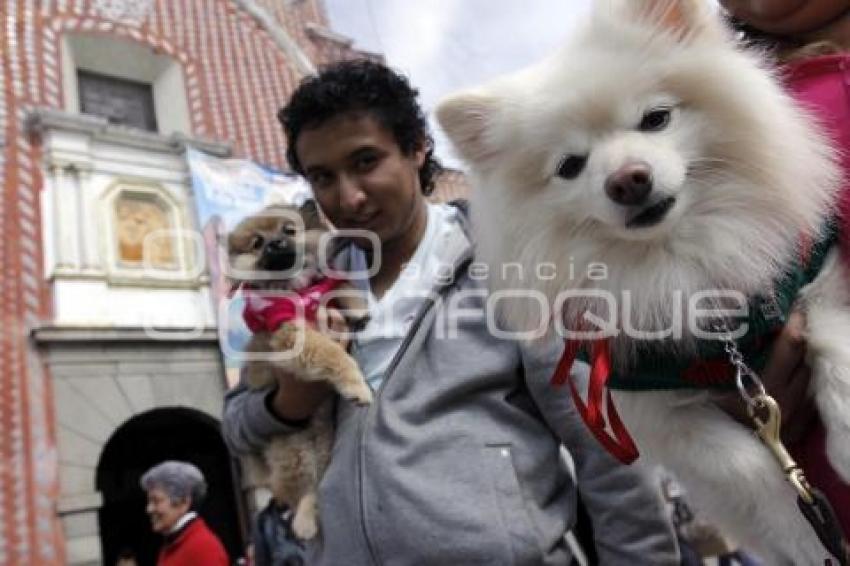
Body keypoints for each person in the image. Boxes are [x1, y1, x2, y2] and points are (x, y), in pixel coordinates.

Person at [140, 460, 229, 566]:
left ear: (183, 502)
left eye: (156, 501)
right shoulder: (176, 542)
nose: (149, 509)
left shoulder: (203, 548)